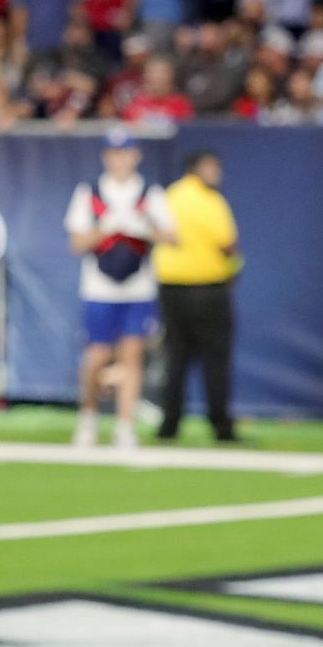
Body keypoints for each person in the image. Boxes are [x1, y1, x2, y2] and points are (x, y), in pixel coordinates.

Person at [64, 127, 176, 450]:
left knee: (132, 356)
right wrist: (106, 228)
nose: (120, 160)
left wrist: (144, 228)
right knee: (96, 356)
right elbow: (76, 242)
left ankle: (124, 425)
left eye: (125, 153)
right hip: (99, 289)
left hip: (137, 288)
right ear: (105, 157)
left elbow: (172, 236)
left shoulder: (150, 194)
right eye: (113, 154)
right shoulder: (90, 192)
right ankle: (88, 416)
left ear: (136, 155)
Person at [154, 149, 241, 441]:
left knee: (175, 358)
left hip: (171, 289)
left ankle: (170, 424)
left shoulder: (168, 197)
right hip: (208, 288)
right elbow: (227, 243)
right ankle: (221, 425)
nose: (217, 172)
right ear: (195, 169)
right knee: (215, 360)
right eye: (211, 166)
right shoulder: (210, 200)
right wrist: (234, 265)